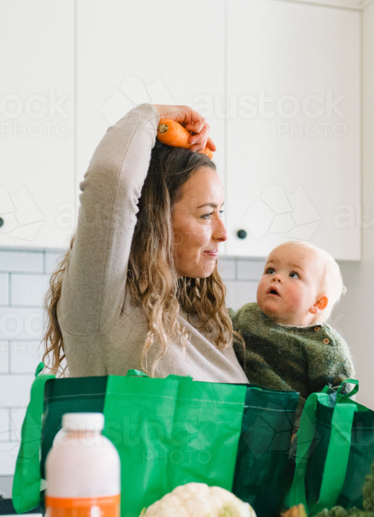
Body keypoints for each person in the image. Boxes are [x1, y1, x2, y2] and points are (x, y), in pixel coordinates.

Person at [43, 103, 245, 382]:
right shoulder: (105, 300)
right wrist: (150, 115)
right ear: (155, 218)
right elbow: (113, 180)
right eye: (207, 214)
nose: (223, 232)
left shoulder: (206, 320)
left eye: (220, 212)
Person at [232, 240, 354, 406]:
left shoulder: (325, 348)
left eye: (294, 275)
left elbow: (339, 400)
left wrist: (309, 430)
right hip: (240, 416)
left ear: (317, 303)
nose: (276, 277)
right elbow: (217, 319)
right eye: (270, 270)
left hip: (293, 427)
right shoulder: (247, 314)